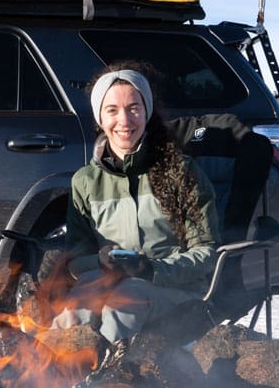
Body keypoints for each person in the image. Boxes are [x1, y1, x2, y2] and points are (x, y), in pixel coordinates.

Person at [57, 63, 222, 342]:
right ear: (99, 117)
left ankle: (103, 382)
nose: (124, 120)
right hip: (109, 283)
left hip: (176, 291)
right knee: (78, 305)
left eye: (134, 107)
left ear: (147, 113)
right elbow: (74, 264)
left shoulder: (179, 171)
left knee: (127, 298)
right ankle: (47, 379)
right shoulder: (84, 182)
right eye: (112, 110)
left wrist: (152, 270)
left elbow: (206, 253)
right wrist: (98, 260)